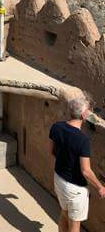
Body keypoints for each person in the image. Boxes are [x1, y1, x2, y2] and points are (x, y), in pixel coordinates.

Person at [51, 96, 105, 232]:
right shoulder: (83, 140)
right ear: (83, 115)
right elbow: (86, 171)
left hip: (59, 179)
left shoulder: (56, 127)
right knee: (74, 226)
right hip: (75, 190)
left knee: (64, 214)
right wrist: (100, 187)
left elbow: (52, 151)